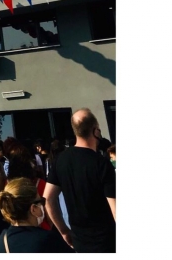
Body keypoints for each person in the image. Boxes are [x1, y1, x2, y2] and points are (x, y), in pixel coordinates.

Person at [44, 108, 116, 253]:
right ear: (96, 131)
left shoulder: (60, 160)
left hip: (79, 241)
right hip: (106, 241)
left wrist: (63, 230)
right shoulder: (101, 163)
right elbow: (115, 208)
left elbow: (48, 198)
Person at [0, 178, 71, 252]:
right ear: (33, 209)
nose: (43, 205)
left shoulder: (4, 238)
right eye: (41, 201)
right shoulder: (48, 240)